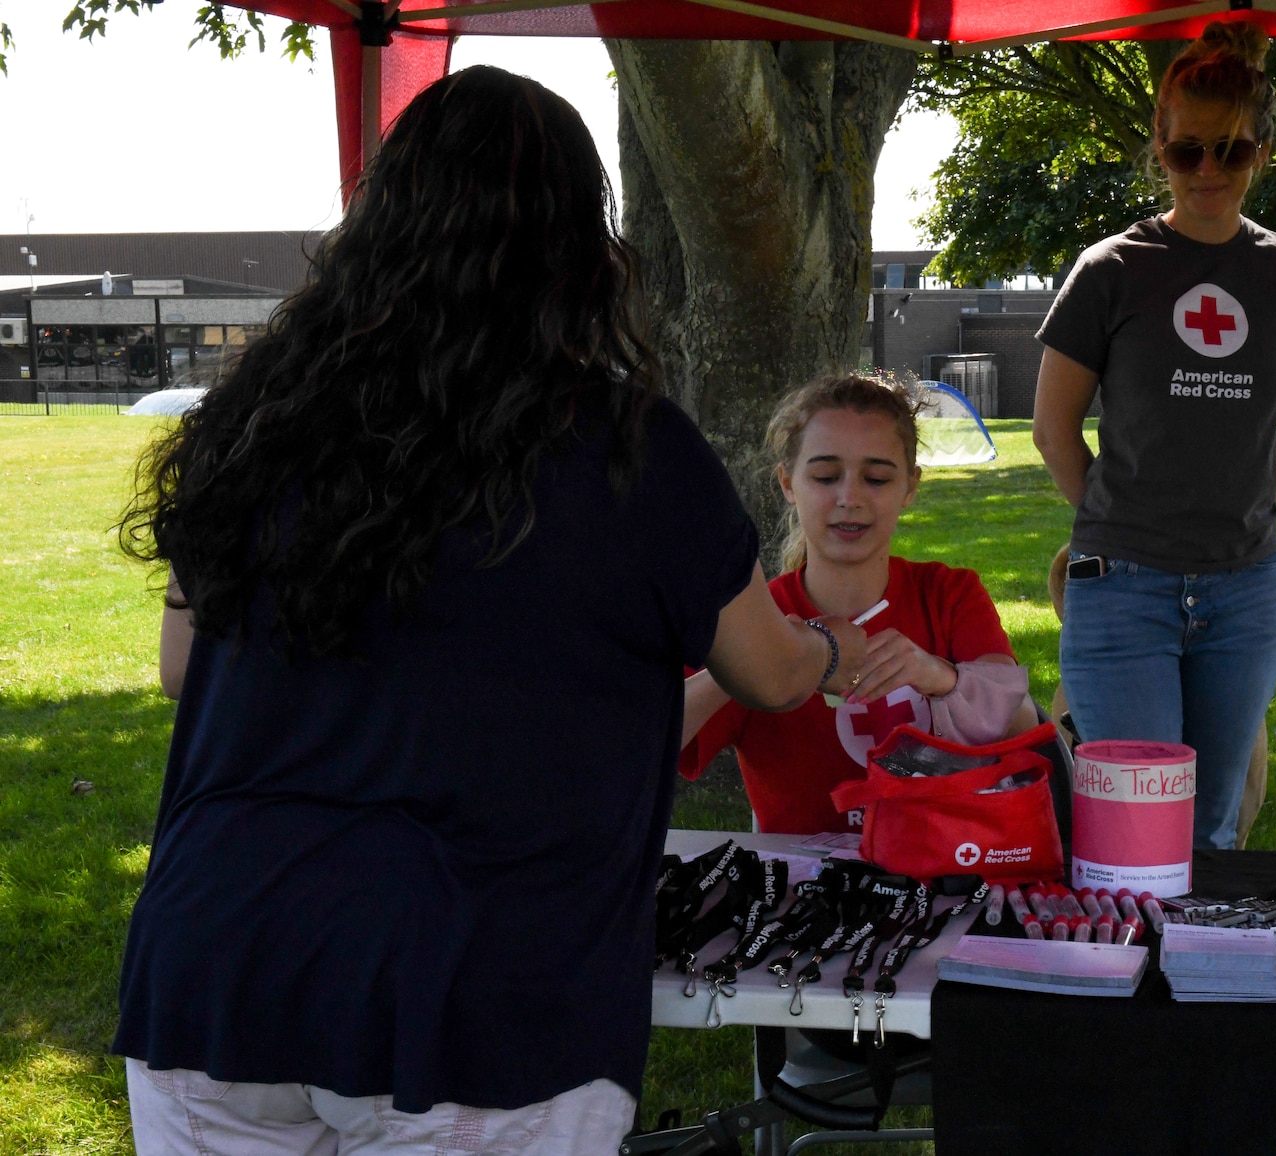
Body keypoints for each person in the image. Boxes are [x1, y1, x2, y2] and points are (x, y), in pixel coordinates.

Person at [113, 67, 866, 1155]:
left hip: (221, 962)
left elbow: (185, 660)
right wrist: (836, 645)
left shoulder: (253, 422)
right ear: (576, 244)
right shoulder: (628, 449)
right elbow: (771, 671)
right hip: (482, 989)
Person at [1032, 21, 1276, 850]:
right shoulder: (1111, 270)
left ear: (1262, 154)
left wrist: (1254, 502)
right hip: (1123, 588)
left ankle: (1201, 972)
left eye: (1231, 152)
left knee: (1210, 827)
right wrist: (1114, 514)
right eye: (1187, 152)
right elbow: (1053, 429)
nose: (1209, 171)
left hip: (1246, 592)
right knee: (1133, 825)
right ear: (1159, 149)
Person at [682, 375, 1037, 834]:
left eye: (876, 478)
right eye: (826, 477)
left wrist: (939, 677)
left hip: (942, 868)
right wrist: (760, 661)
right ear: (788, 483)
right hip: (802, 889)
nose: (849, 498)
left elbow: (1023, 724)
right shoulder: (752, 614)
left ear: (910, 487)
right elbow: (649, 738)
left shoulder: (949, 594)